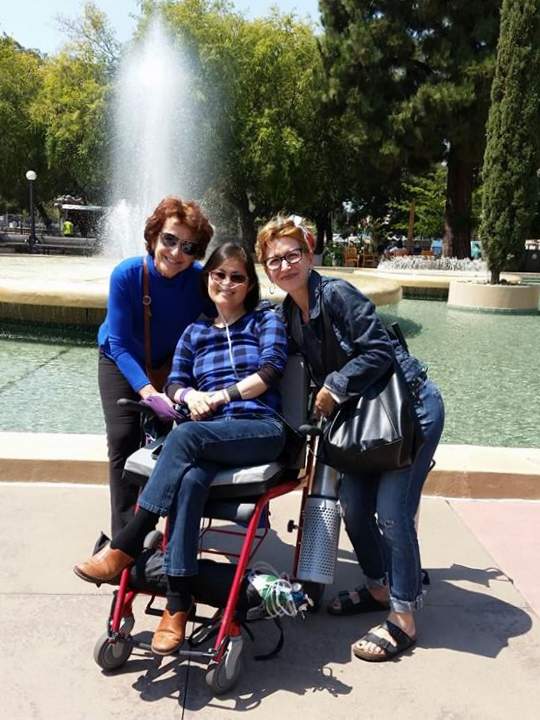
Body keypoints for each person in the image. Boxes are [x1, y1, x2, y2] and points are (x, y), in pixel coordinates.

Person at [75, 242, 288, 655]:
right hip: (208, 436)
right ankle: (177, 605)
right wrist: (188, 395)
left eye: (237, 277)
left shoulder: (265, 321)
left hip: (258, 429)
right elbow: (174, 382)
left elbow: (271, 370)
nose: (226, 283)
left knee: (185, 436)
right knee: (190, 479)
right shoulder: (195, 331)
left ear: (250, 285)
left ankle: (128, 543)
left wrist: (222, 397)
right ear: (208, 279)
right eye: (219, 274)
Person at [256, 215, 445, 663]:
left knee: (392, 514)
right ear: (267, 270)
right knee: (354, 509)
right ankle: (380, 587)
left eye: (292, 254)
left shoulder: (335, 293)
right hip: (362, 425)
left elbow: (378, 349)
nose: (285, 265)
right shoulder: (288, 314)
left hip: (408, 413)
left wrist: (335, 385)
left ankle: (404, 618)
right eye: (274, 260)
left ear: (309, 253)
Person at [98, 196, 214, 536]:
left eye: (189, 247)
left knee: (167, 442)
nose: (177, 253)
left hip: (169, 365)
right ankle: (124, 539)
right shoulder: (127, 274)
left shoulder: (199, 280)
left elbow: (227, 311)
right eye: (169, 240)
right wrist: (149, 393)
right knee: (123, 438)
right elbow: (117, 344)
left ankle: (160, 525)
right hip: (121, 360)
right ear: (153, 237)